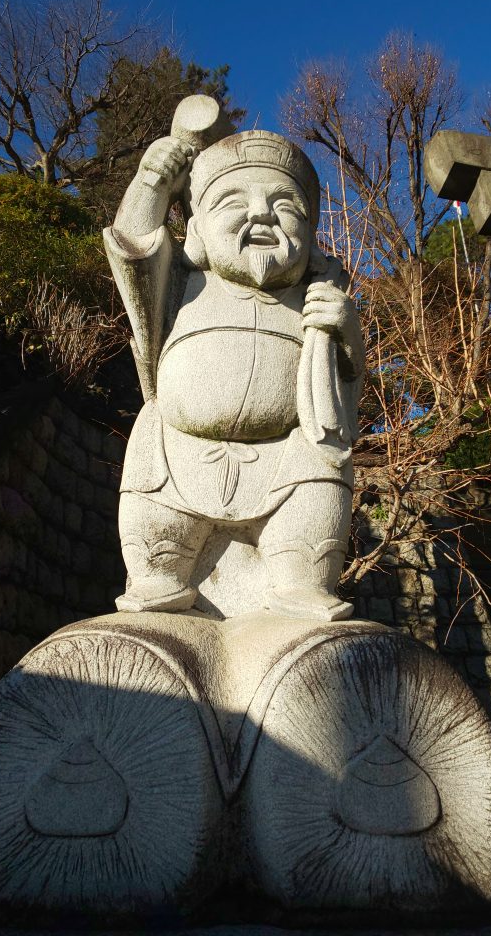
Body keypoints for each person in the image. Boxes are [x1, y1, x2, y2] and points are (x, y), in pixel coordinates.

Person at [103, 121, 364, 620]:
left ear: (308, 237)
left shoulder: (313, 300)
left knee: (321, 471)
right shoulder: (183, 285)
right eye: (233, 202)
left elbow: (347, 386)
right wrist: (153, 182)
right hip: (176, 451)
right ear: (197, 229)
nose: (262, 212)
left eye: (286, 205)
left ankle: (300, 581)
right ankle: (157, 576)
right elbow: (133, 249)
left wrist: (346, 330)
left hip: (289, 459)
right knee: (153, 505)